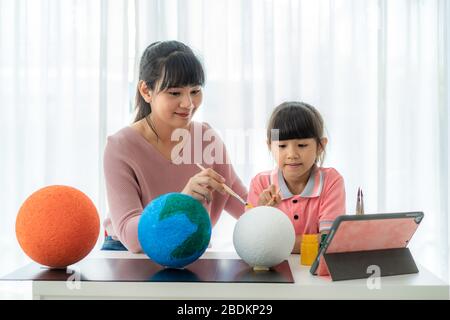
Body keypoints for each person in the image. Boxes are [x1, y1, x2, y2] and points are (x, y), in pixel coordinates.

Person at [102, 41, 248, 252]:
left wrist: (264, 204)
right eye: (174, 93)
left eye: (195, 91)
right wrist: (182, 201)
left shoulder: (207, 139)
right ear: (146, 90)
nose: (188, 103)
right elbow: (131, 238)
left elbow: (242, 204)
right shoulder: (120, 147)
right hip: (128, 252)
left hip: (186, 249)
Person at [247, 101, 346, 253]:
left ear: (320, 146)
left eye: (302, 145)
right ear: (270, 146)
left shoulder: (331, 181)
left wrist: (276, 242)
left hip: (314, 273)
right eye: (282, 146)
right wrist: (261, 212)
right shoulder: (260, 183)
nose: (292, 154)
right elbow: (252, 241)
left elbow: (330, 241)